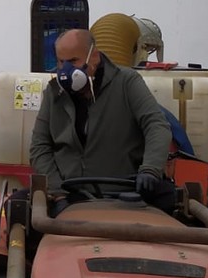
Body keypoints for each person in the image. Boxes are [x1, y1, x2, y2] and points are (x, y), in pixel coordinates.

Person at [29, 27, 172, 205]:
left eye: (73, 61)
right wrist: (57, 192)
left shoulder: (127, 82)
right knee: (15, 209)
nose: (65, 70)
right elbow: (39, 146)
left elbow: (156, 125)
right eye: (60, 62)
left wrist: (150, 170)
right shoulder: (53, 93)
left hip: (126, 192)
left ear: (94, 57)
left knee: (175, 210)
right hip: (70, 192)